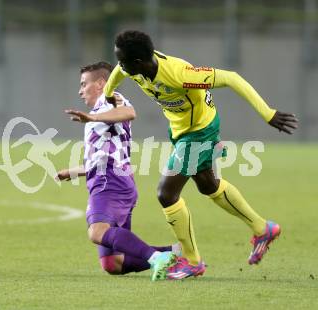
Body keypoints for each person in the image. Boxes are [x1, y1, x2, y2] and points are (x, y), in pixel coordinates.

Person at [103, 30, 298, 280]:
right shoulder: (134, 68)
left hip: (199, 131)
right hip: (180, 129)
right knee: (208, 185)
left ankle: (193, 261)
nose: (119, 65)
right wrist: (108, 94)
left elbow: (232, 78)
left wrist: (268, 114)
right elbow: (118, 73)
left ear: (138, 62)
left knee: (166, 193)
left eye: (122, 61)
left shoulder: (179, 74)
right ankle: (263, 228)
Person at [56, 61, 181, 281]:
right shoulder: (100, 111)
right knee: (113, 263)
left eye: (84, 84)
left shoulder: (109, 99)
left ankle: (156, 258)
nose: (80, 90)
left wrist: (93, 118)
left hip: (110, 182)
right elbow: (104, 156)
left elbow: (130, 112)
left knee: (96, 232)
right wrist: (73, 171)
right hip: (114, 180)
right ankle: (176, 254)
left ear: (101, 83)